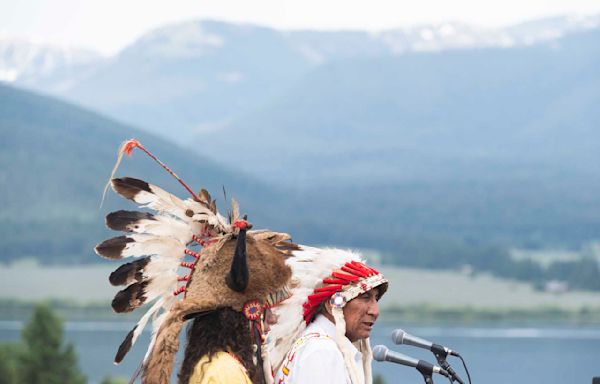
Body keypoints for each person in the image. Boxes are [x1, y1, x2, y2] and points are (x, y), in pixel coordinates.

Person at [94, 139, 296, 384]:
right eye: (265, 310)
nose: (272, 319)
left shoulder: (211, 363)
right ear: (246, 314)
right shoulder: (225, 371)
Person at [268, 247, 388, 384]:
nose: (375, 311)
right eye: (365, 297)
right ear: (332, 305)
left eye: (376, 299)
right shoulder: (322, 351)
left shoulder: (318, 345)